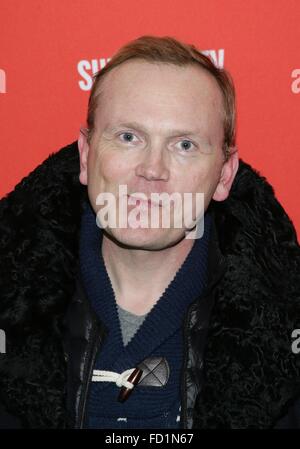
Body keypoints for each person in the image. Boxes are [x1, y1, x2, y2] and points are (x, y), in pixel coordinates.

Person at [0, 35, 299, 429]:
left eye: (185, 145)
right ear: (86, 156)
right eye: (129, 137)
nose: (152, 169)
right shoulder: (10, 307)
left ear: (225, 175)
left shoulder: (284, 343)